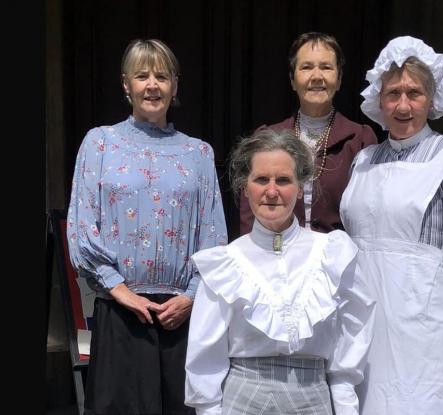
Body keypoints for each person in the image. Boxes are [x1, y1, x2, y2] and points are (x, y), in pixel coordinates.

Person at [66, 38, 227, 415]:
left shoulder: (198, 153)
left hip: (180, 317)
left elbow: (214, 235)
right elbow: (82, 223)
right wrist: (118, 289)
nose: (152, 85)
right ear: (126, 85)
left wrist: (190, 295)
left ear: (175, 84)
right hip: (120, 312)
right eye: (142, 76)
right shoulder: (100, 143)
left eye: (161, 76)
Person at [339, 36, 443, 414]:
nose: (403, 105)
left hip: (424, 337)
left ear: (433, 98)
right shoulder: (364, 160)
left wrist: (442, 328)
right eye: (393, 93)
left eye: (415, 92)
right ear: (379, 100)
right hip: (361, 325)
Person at [184, 129, 376, 415]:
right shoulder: (226, 263)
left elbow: (352, 336)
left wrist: (346, 407)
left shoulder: (332, 254)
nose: (271, 191)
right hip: (242, 399)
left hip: (314, 397)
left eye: (283, 180)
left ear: (300, 187)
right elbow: (206, 356)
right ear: (245, 186)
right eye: (261, 179)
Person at [239, 32, 377, 234]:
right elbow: (250, 210)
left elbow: (370, 213)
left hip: (338, 260)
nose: (317, 76)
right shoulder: (267, 137)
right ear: (293, 80)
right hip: (277, 256)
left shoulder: (360, 139)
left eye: (326, 67)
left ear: (339, 80)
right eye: (306, 67)